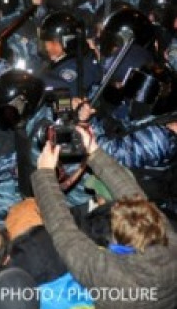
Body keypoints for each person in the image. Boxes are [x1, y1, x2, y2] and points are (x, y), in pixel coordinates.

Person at [32, 124, 177, 308]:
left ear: (120, 243)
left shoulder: (112, 278)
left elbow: (65, 234)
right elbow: (133, 195)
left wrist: (45, 174)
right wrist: (94, 152)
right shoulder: (170, 240)